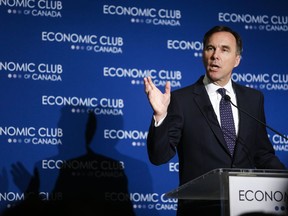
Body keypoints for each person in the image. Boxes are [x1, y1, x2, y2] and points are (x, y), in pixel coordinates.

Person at [143, 25, 286, 216]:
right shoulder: (182, 100)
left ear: (237, 60)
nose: (215, 55)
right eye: (210, 48)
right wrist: (160, 115)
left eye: (224, 49)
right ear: (203, 54)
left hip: (248, 208)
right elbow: (159, 156)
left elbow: (262, 153)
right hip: (201, 210)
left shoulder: (253, 99)